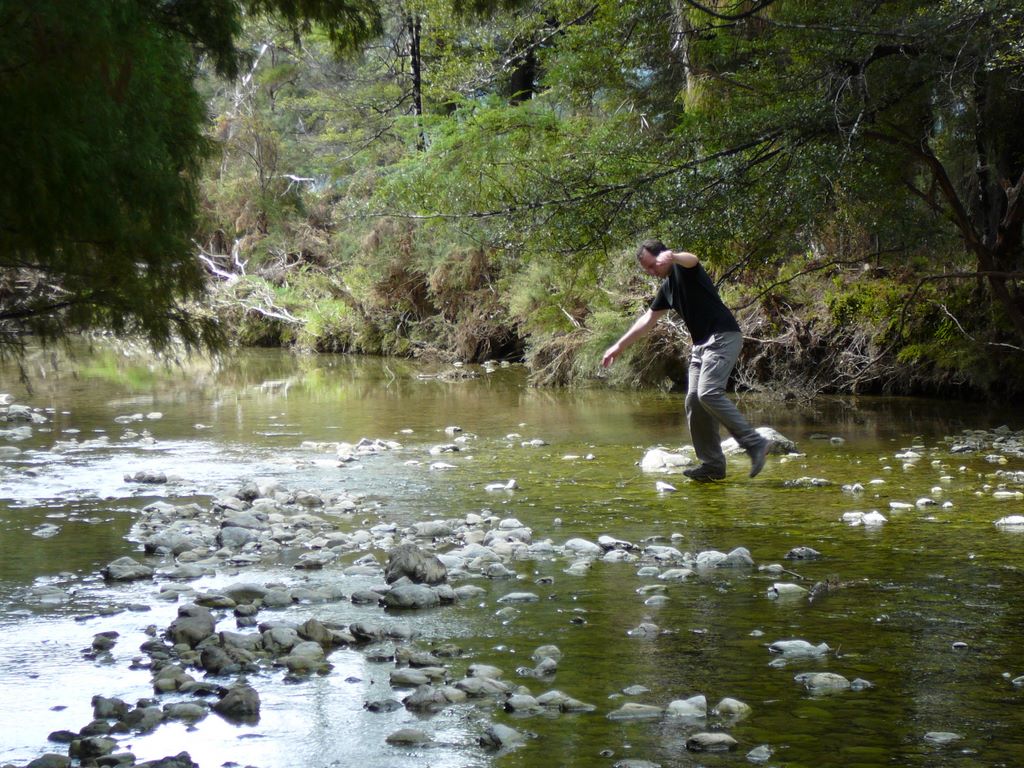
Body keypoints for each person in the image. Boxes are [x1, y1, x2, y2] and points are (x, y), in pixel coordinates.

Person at [601, 239, 769, 481]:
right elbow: (647, 321)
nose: (652, 272)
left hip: (722, 337)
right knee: (694, 401)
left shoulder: (684, 268)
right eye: (647, 269)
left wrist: (674, 256)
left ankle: (755, 442)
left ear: (663, 255)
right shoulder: (667, 288)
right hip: (700, 348)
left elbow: (693, 259)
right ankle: (712, 466)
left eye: (653, 265)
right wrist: (618, 347)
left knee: (708, 393)